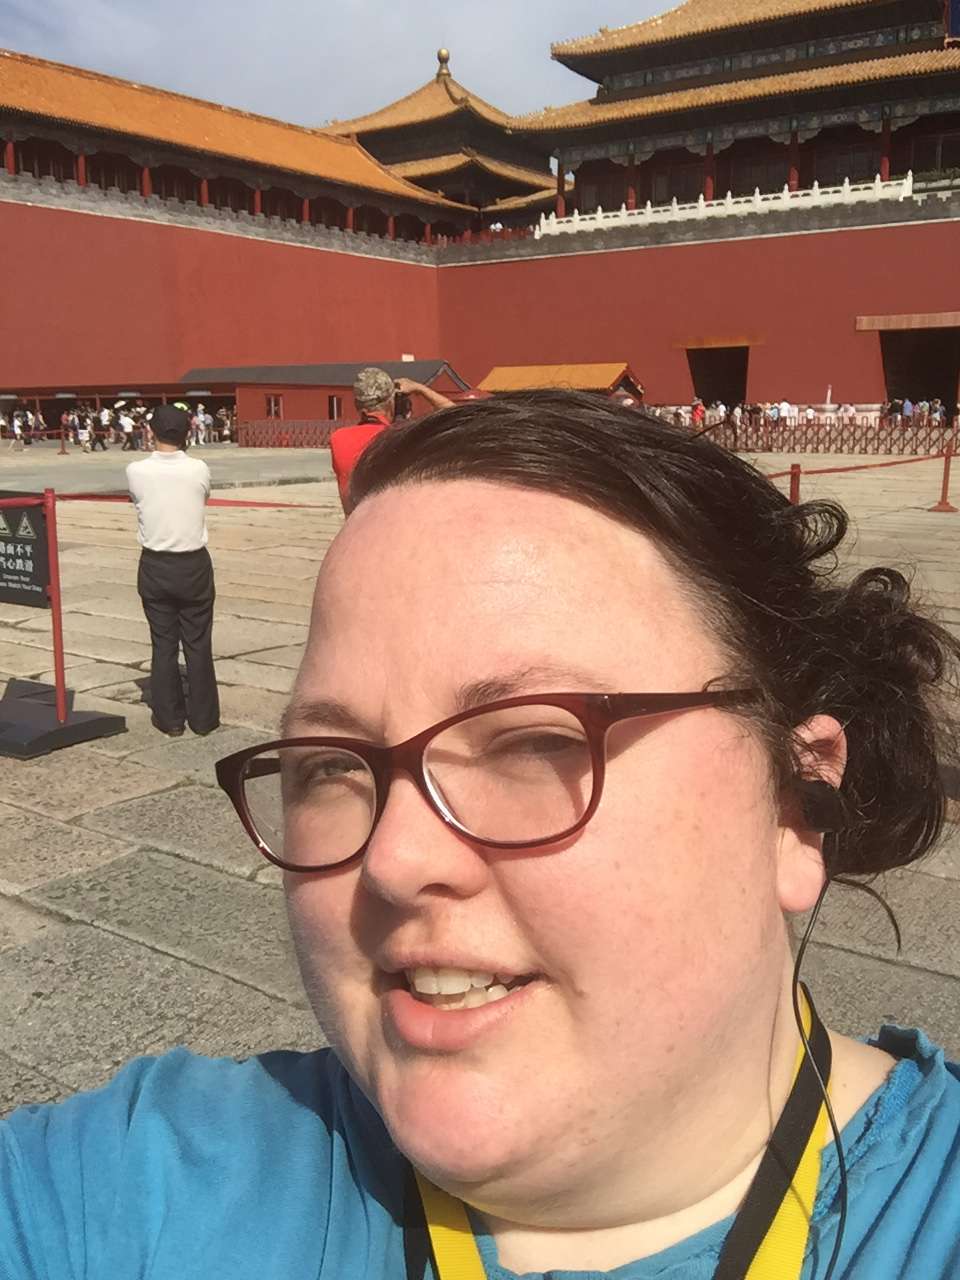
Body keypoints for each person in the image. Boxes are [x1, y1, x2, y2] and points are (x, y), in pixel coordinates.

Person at [3, 392, 960, 1279]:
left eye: (537, 742)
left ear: (794, 803)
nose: (396, 860)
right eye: (331, 766)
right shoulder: (131, 1189)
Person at [125, 404, 220, 738]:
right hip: (192, 564)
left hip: (155, 564)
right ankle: (204, 718)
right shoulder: (198, 468)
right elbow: (203, 496)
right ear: (188, 432)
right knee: (198, 642)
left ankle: (170, 719)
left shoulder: (136, 470)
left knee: (163, 644)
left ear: (151, 431)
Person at [329, 367, 453, 510]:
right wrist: (420, 389)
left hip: (356, 527)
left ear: (357, 404)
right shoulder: (403, 436)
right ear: (391, 403)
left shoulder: (338, 439)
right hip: (393, 527)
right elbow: (458, 416)